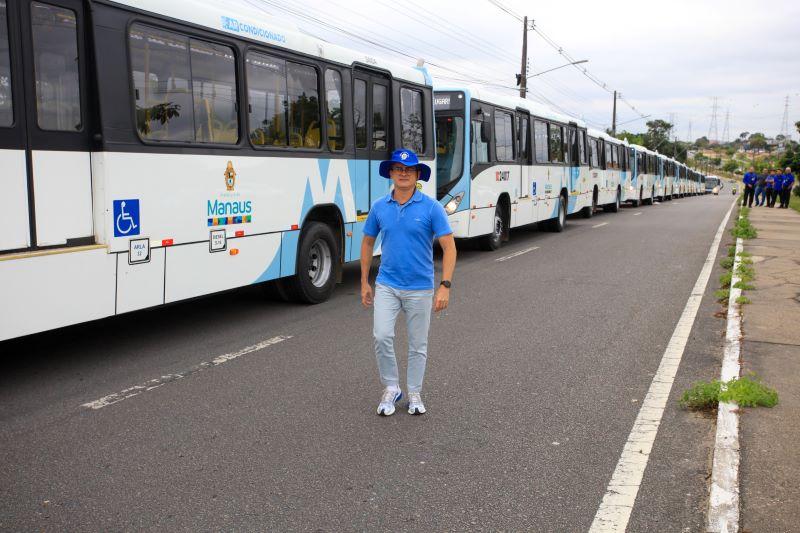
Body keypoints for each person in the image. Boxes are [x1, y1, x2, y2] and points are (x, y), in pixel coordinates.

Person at [360, 148, 457, 416]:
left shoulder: (432, 208)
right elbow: (368, 242)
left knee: (418, 344)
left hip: (420, 288)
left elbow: (449, 248)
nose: (403, 174)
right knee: (381, 336)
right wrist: (364, 282)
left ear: (417, 175)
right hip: (387, 284)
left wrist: (444, 286)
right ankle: (392, 387)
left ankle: (414, 391)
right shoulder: (380, 207)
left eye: (409, 170)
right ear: (391, 173)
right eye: (398, 169)